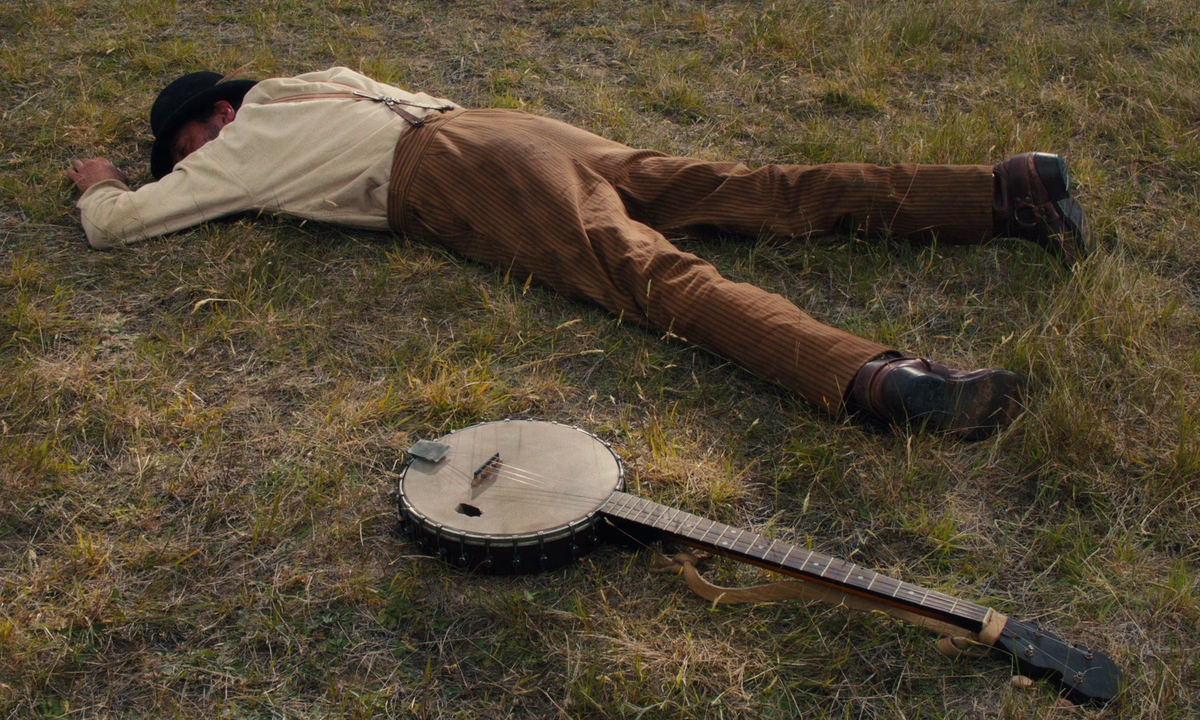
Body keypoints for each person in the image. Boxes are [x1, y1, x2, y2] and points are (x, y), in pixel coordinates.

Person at [67, 67, 1090, 437]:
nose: (194, 154)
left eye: (190, 138)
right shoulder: (310, 81)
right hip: (501, 126)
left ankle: (877, 380)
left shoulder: (236, 148)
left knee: (653, 278)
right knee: (741, 187)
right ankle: (1007, 190)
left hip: (454, 169)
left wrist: (101, 180)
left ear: (216, 114)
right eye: (186, 149)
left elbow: (118, 225)